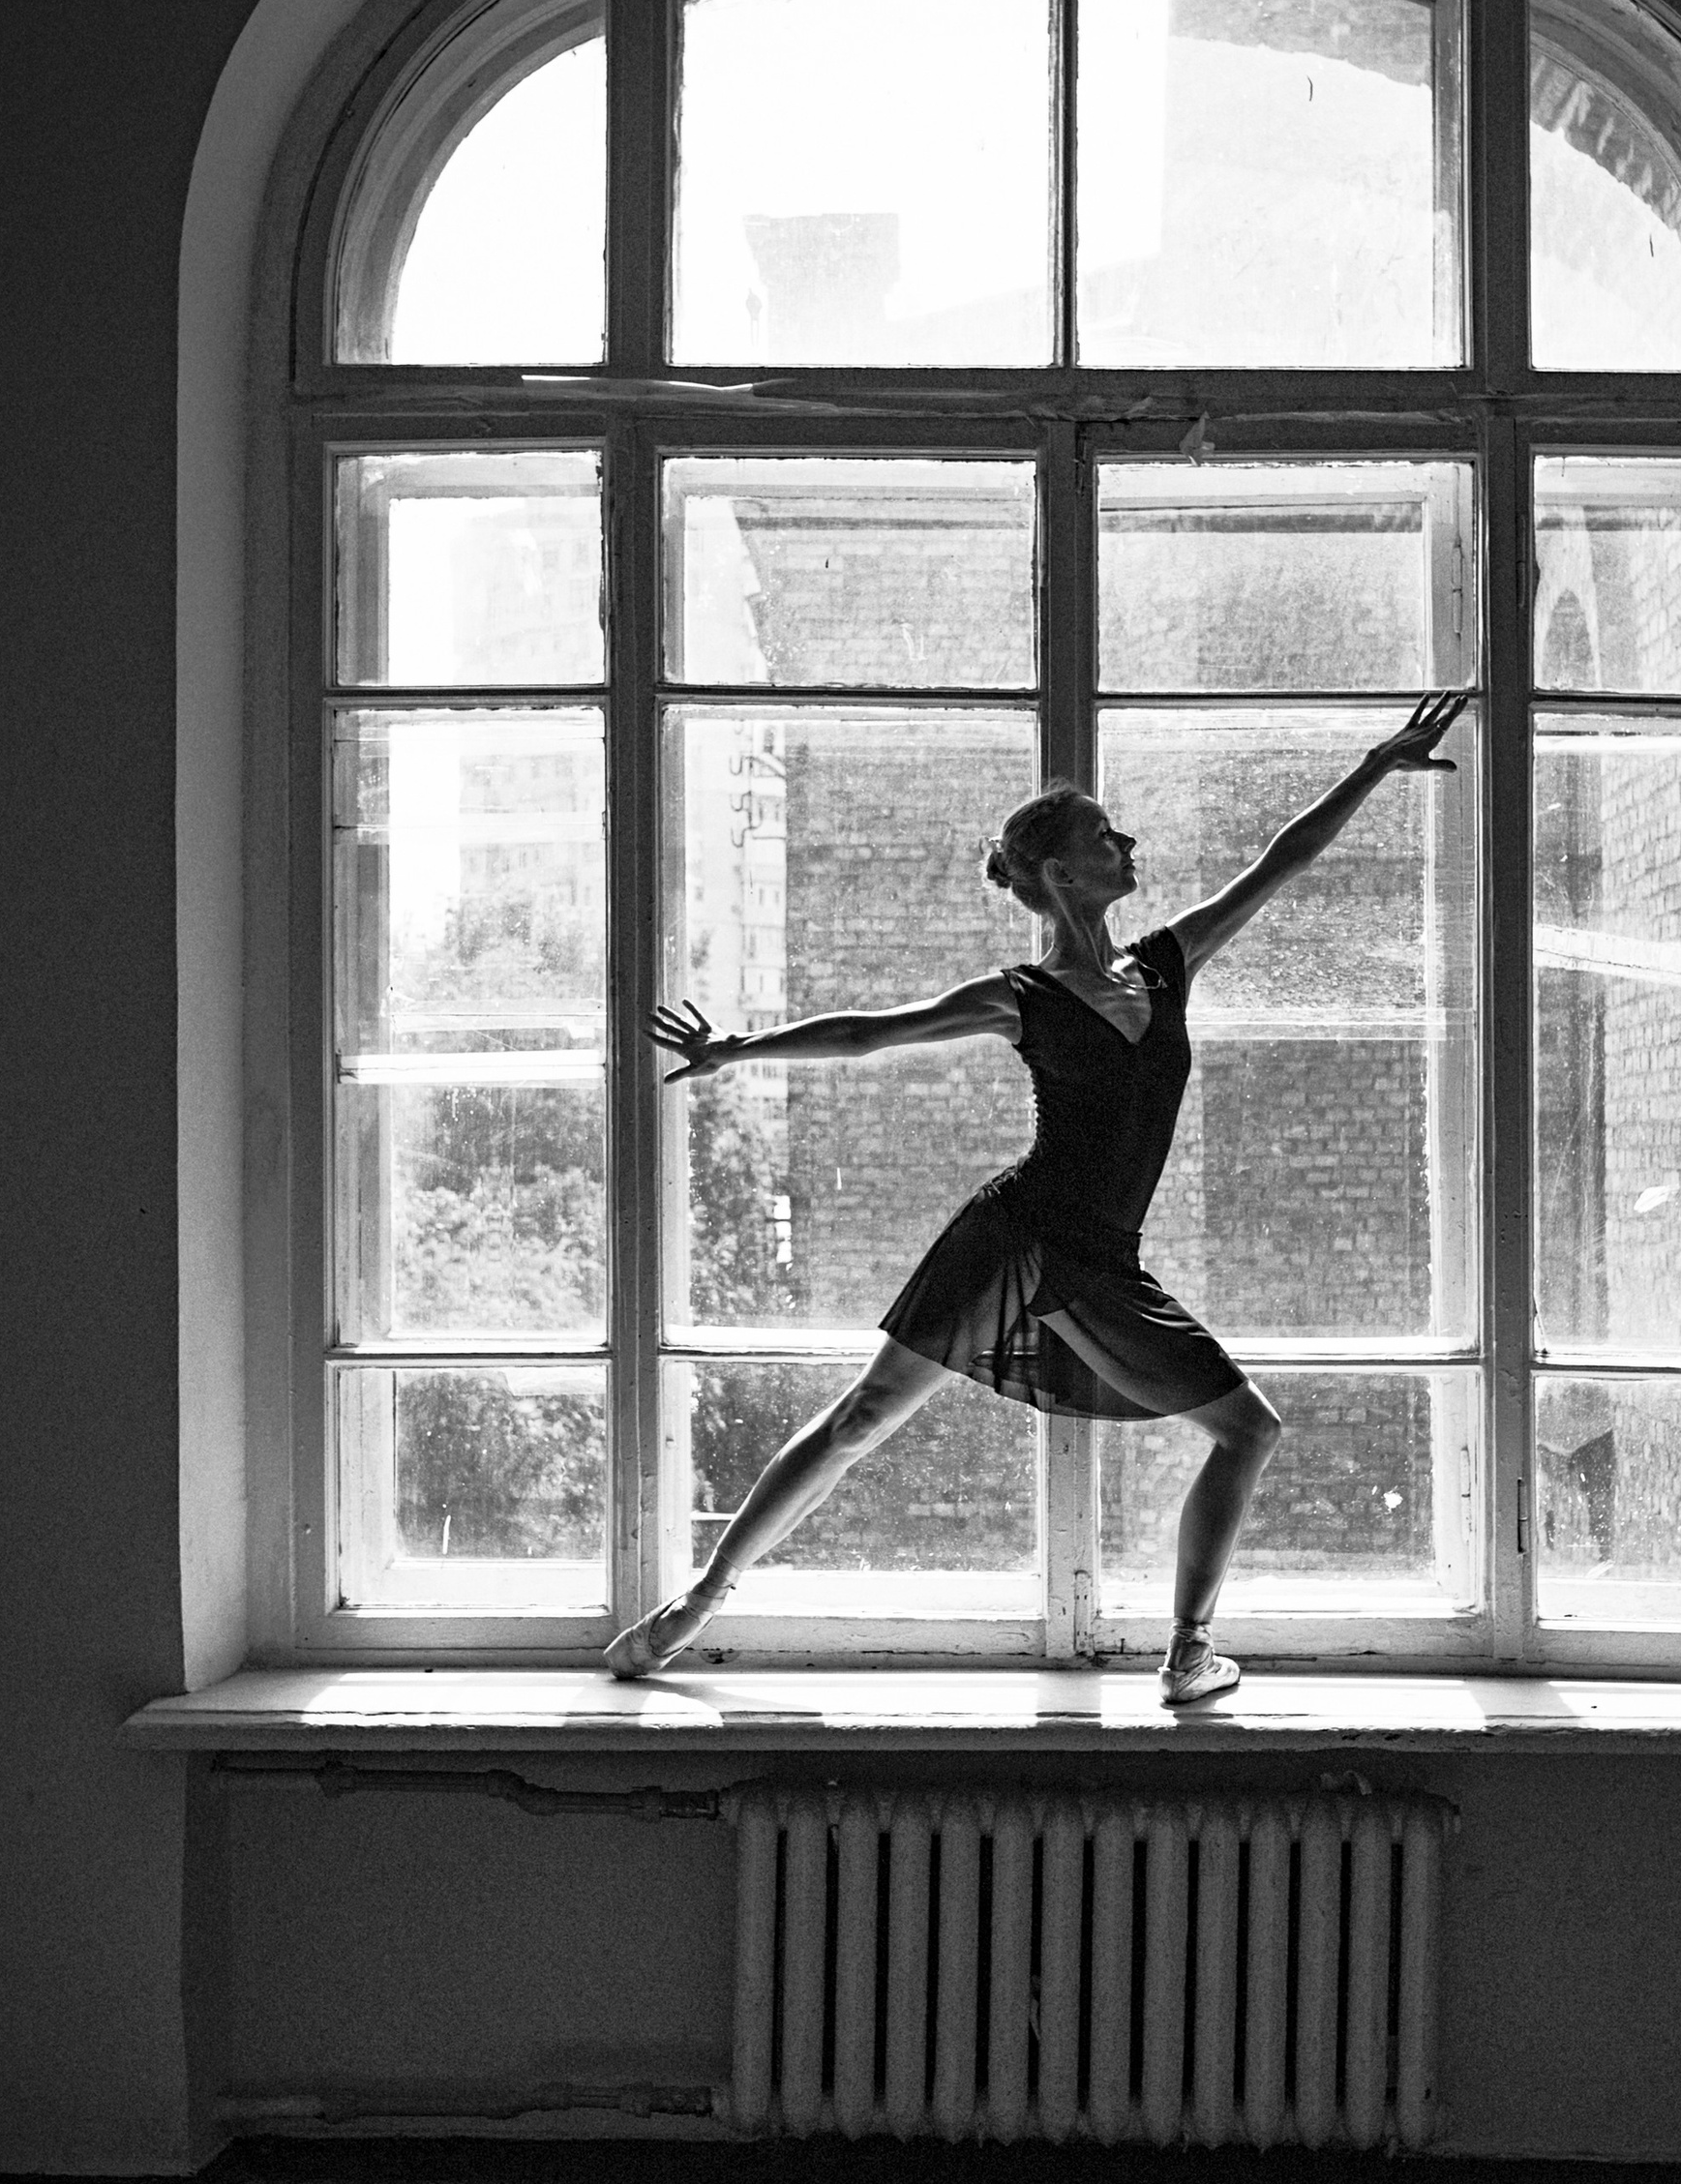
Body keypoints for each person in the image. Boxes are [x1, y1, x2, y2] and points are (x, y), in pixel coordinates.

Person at [605, 692, 1469, 1701]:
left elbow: (1282, 860)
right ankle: (698, 1601)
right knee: (862, 1417)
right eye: (1106, 833)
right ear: (1061, 872)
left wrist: (1375, 763)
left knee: (1248, 1428)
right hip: (1017, 1236)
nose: (1127, 840)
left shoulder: (1166, 966)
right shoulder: (1022, 997)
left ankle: (1187, 1652)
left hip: (1099, 1254)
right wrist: (741, 1050)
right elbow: (869, 1033)